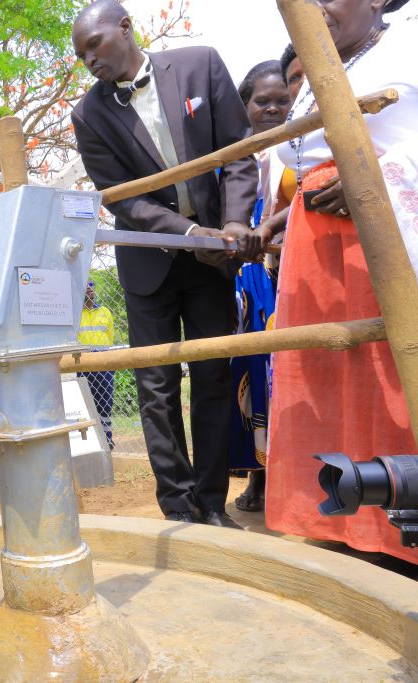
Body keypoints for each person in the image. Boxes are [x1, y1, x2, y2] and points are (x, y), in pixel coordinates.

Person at [70, 0, 259, 528]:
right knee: (155, 387)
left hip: (214, 258)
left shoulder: (201, 64)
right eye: (81, 55)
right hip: (148, 264)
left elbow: (239, 153)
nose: (89, 61)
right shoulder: (88, 114)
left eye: (95, 46)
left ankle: (213, 503)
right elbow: (123, 201)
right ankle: (178, 507)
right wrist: (190, 233)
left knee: (213, 376)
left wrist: (234, 224)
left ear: (126, 28)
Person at [260, 0, 418, 563]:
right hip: (318, 250)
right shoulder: (318, 69)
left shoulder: (408, 44)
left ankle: (401, 534)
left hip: (385, 238)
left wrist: (372, 184)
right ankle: (351, 526)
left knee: (392, 378)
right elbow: (303, 158)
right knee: (327, 380)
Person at [228, 62, 291, 513]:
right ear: (244, 105)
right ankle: (258, 474)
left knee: (281, 369)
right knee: (250, 370)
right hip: (245, 275)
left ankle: (289, 477)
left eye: (282, 101)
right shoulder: (232, 153)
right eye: (262, 101)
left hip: (282, 269)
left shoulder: (300, 147)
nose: (272, 108)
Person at [77, 280, 116, 448]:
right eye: (85, 287)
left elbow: (110, 337)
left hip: (103, 364)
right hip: (83, 365)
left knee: (105, 403)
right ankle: (90, 442)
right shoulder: (75, 315)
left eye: (91, 286)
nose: (89, 290)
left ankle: (107, 439)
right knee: (85, 403)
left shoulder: (105, 311)